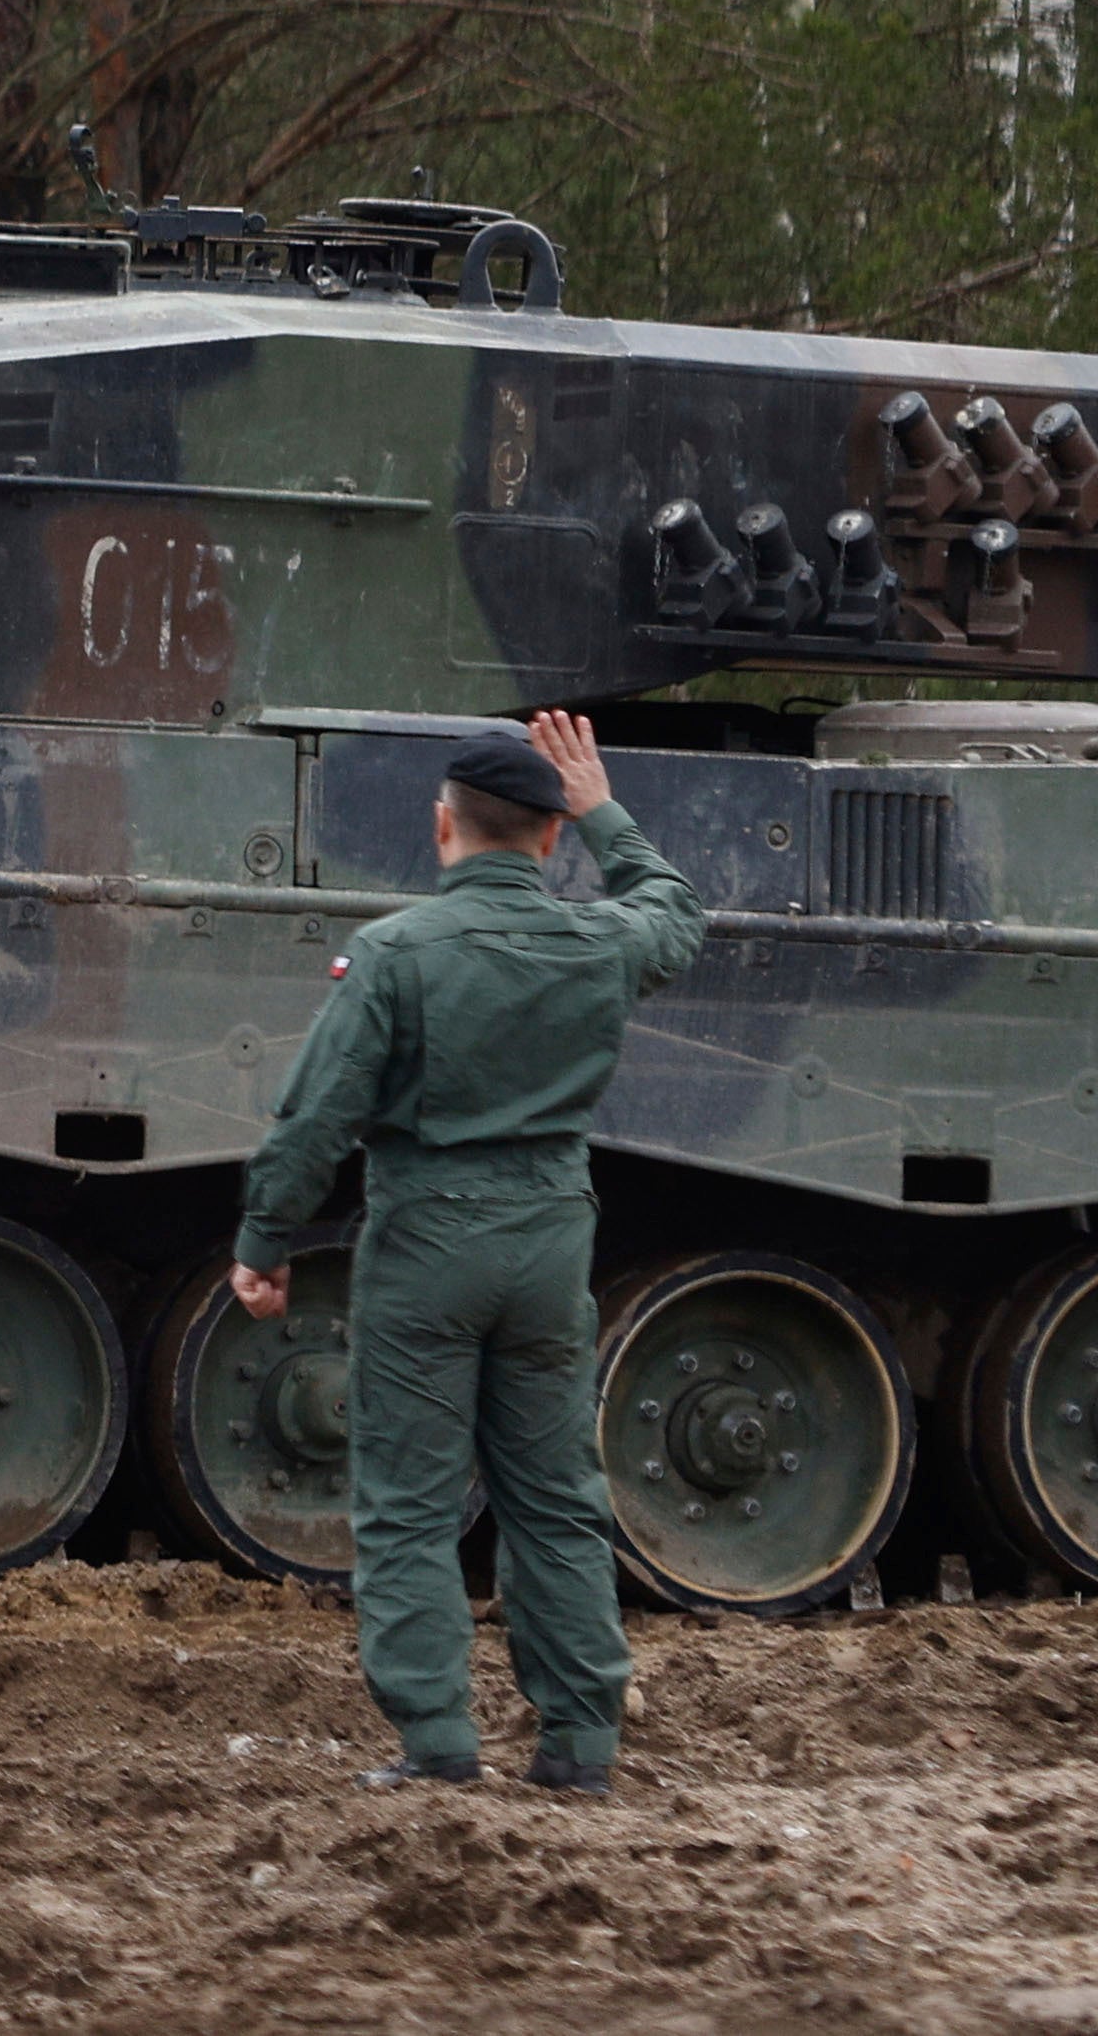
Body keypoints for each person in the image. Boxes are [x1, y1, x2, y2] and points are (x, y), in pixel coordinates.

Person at [222, 708, 706, 1796]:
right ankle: (578, 1745)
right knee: (553, 1497)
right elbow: (674, 910)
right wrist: (604, 814)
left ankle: (438, 1742)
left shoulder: (396, 953)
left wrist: (265, 1240)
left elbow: (314, 1119)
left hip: (427, 1240)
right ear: (546, 841)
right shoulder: (599, 940)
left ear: (441, 828)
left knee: (407, 1501)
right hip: (546, 1246)